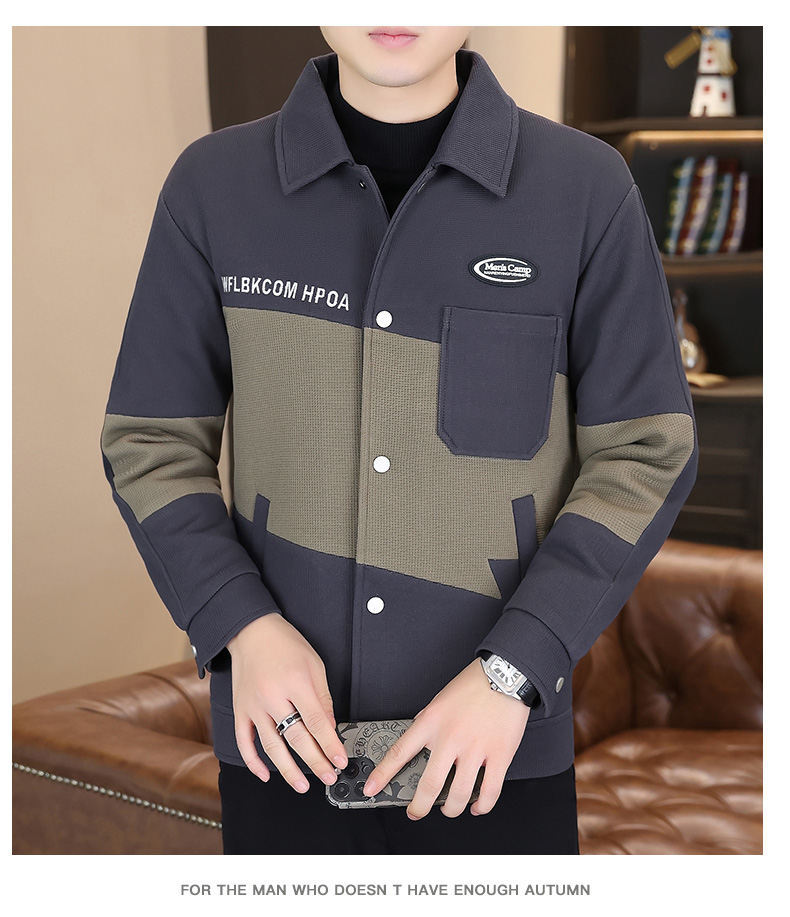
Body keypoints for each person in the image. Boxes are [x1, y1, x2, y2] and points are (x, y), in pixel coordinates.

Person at [100, 26, 698, 855]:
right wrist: (242, 625)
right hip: (283, 749)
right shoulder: (211, 186)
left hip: (498, 758)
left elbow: (645, 450)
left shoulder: (588, 191)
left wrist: (511, 671)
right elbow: (149, 442)